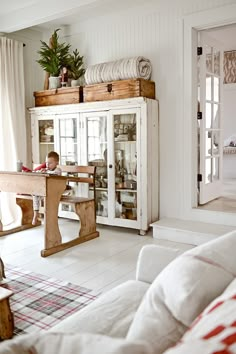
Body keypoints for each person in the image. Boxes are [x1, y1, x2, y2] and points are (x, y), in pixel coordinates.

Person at [32, 151, 62, 225]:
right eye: (46, 162)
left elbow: (53, 174)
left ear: (57, 163)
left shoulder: (57, 170)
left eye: (50, 163)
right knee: (35, 194)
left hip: (55, 191)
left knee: (47, 200)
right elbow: (36, 172)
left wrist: (45, 172)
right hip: (46, 191)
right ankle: (36, 213)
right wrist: (40, 172)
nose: (48, 165)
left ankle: (48, 218)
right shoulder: (47, 170)